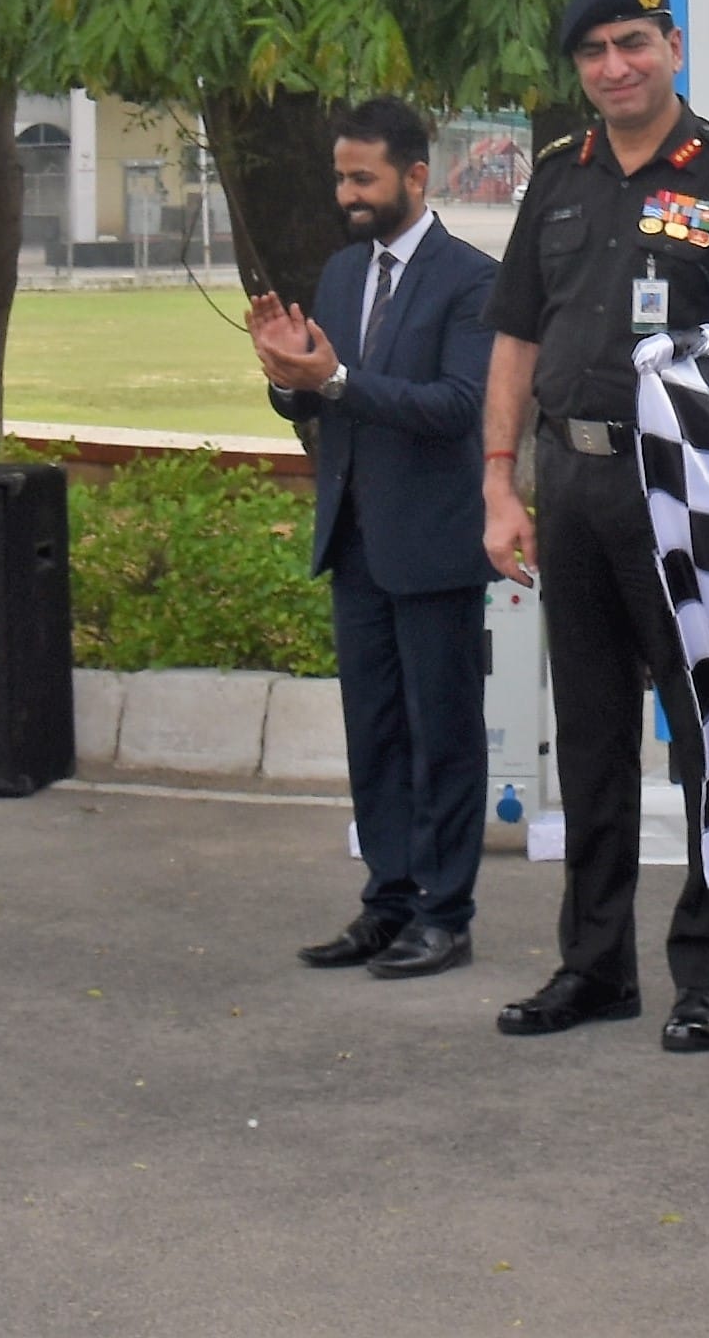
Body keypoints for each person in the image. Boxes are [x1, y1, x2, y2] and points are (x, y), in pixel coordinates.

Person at [478, 0, 709, 1047]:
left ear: (673, 50)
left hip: (687, 493)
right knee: (591, 737)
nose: (614, 67)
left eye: (633, 44)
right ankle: (593, 967)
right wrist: (498, 482)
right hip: (572, 484)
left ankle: (708, 974)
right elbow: (516, 335)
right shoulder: (557, 177)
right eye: (594, 52)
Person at [252, 96, 499, 983]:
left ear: (415, 175)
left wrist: (336, 379)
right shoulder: (340, 273)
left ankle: (444, 914)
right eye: (339, 179)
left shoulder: (471, 279)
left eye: (363, 178)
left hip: (432, 545)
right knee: (375, 733)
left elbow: (457, 406)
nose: (347, 195)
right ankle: (386, 901)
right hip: (353, 541)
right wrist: (288, 377)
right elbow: (320, 398)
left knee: (443, 736)